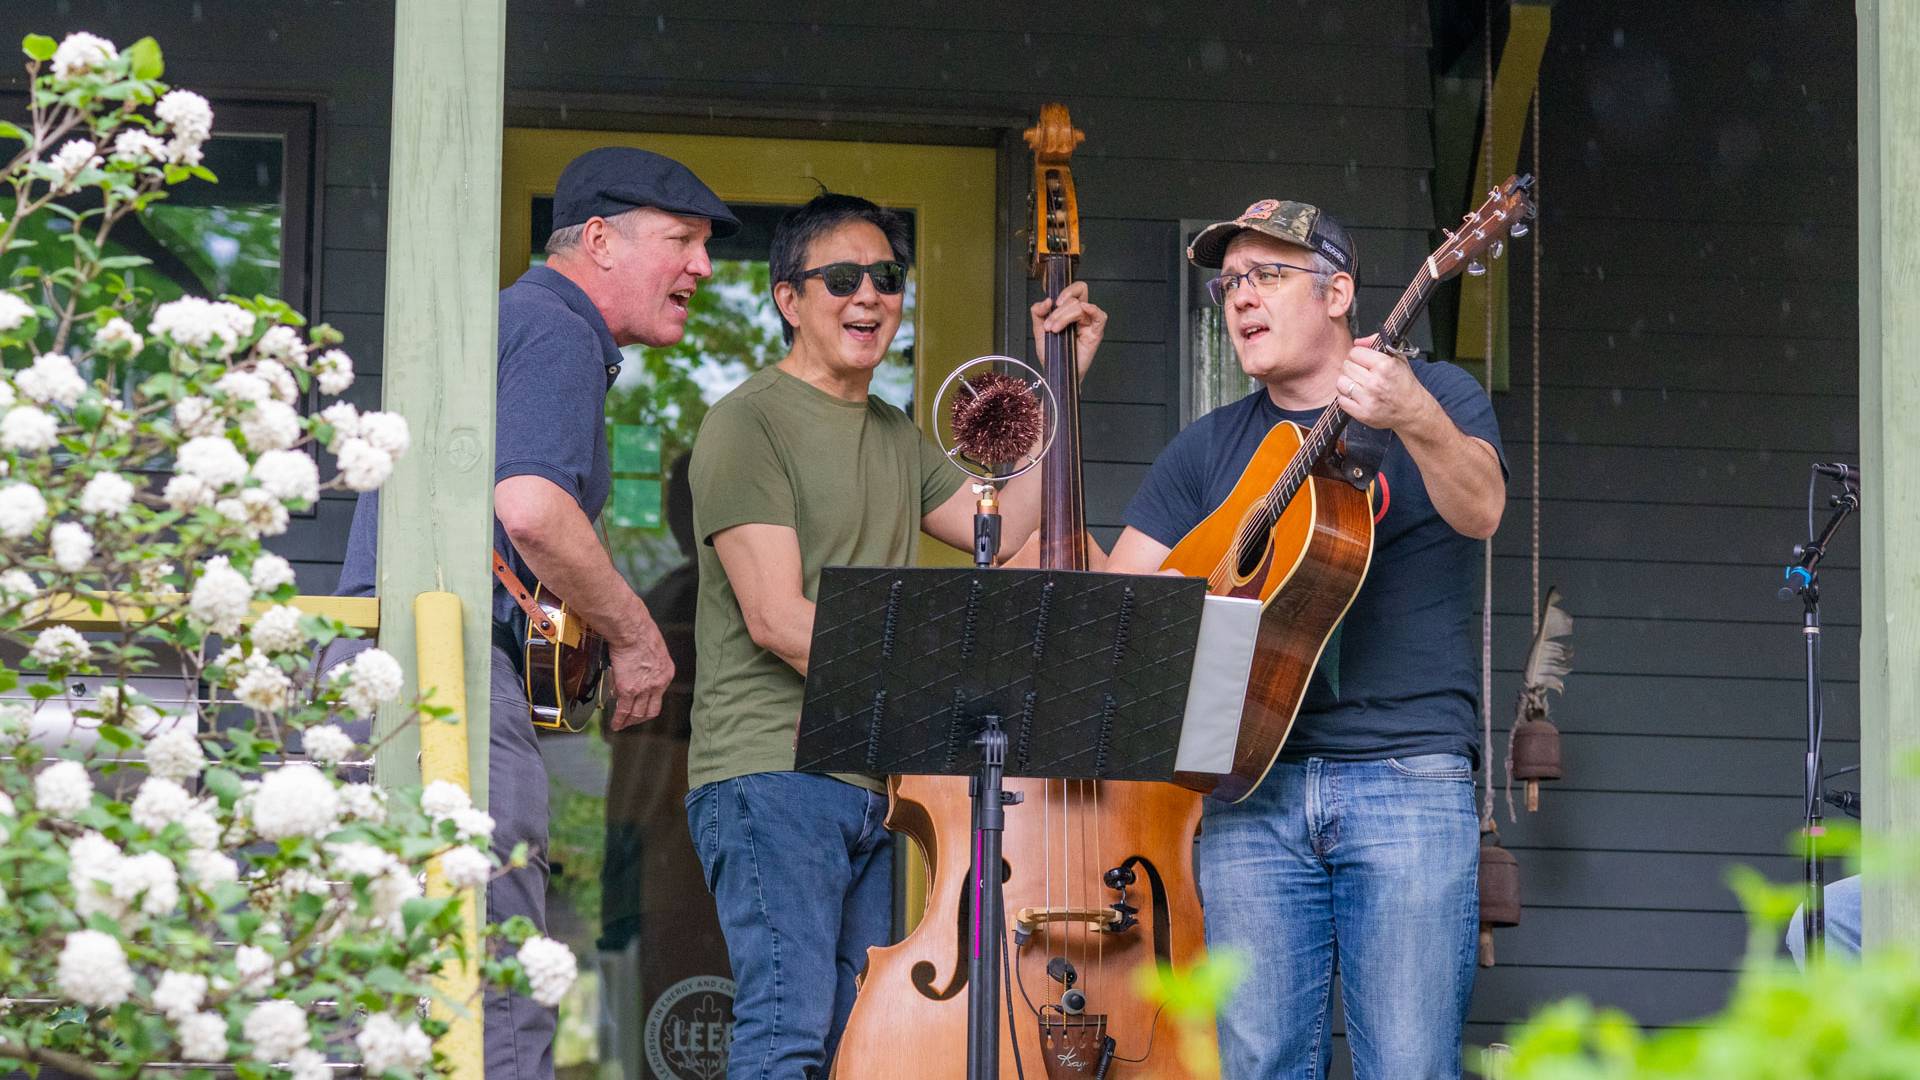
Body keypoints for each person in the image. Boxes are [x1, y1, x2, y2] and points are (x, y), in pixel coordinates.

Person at [334, 147, 739, 1080]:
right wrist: (639, 640)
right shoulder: (556, 330)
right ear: (597, 241)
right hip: (452, 680)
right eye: (680, 241)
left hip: (384, 674)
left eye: (705, 246)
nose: (703, 268)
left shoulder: (511, 323)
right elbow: (532, 510)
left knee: (387, 988)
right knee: (498, 984)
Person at [685, 191, 1105, 1080]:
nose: (867, 295)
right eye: (841, 278)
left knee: (854, 1043)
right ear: (787, 298)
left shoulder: (893, 434)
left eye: (887, 277)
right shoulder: (748, 422)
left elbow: (1012, 529)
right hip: (773, 770)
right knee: (785, 1032)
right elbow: (777, 619)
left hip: (872, 782)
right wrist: (937, 689)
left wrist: (1058, 380)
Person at [1103, 199, 1507, 1079]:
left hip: (1405, 776)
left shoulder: (1439, 394)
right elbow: (1125, 604)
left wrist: (1415, 419)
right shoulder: (1208, 449)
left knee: (1406, 1064)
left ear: (1339, 293)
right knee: (1259, 1065)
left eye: (1267, 276)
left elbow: (1483, 509)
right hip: (1250, 793)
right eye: (1229, 282)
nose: (1240, 298)